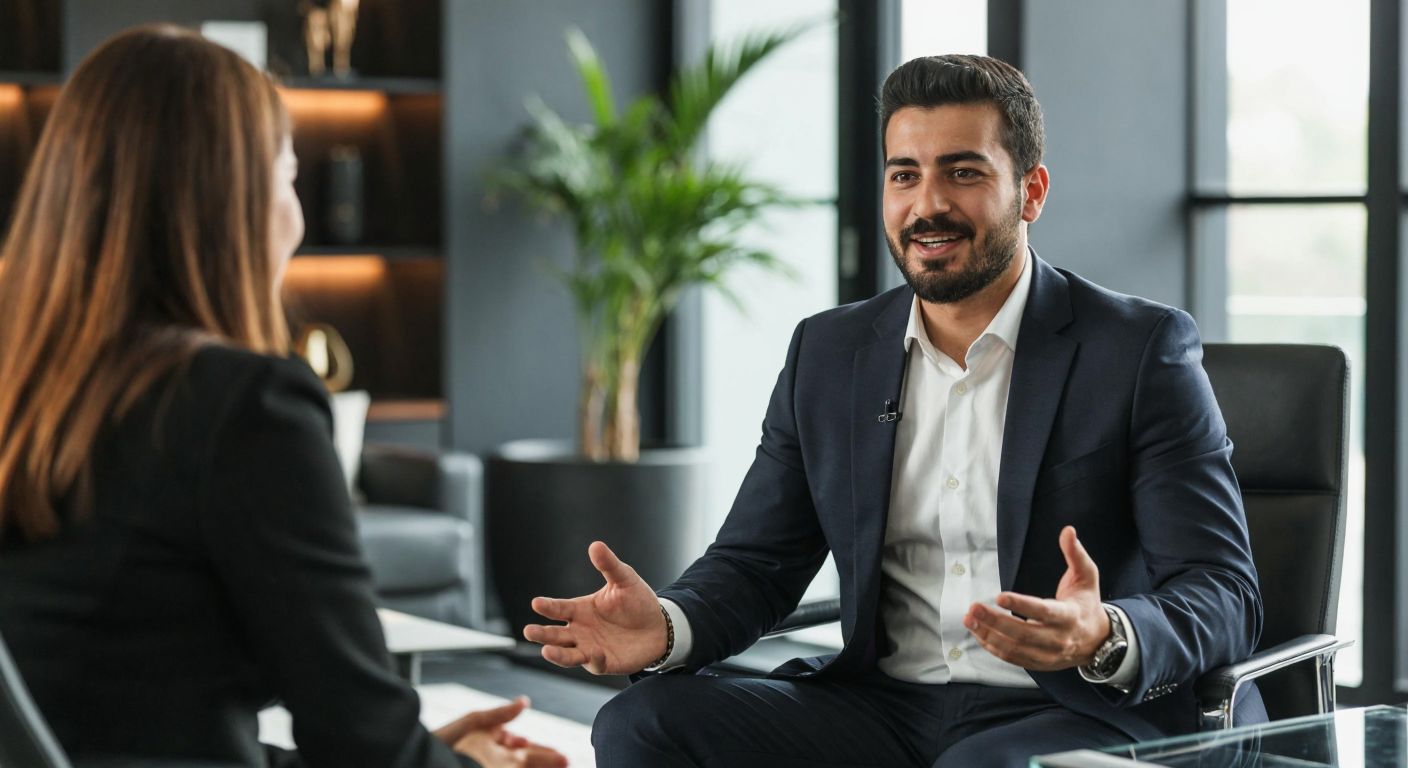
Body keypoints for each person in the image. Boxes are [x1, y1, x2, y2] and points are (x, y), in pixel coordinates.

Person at [525, 54, 1266, 767]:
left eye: (963, 172)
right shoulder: (830, 351)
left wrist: (1104, 634)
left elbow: (1222, 591)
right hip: (882, 706)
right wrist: (665, 627)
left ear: (1031, 192)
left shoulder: (1137, 350)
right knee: (644, 722)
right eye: (904, 174)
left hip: (1076, 710)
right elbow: (757, 563)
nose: (928, 205)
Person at [0, 25, 565, 768]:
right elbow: (365, 749)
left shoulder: (33, 396)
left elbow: (133, 730)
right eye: (288, 176)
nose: (296, 216)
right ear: (229, 202)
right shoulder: (243, 408)